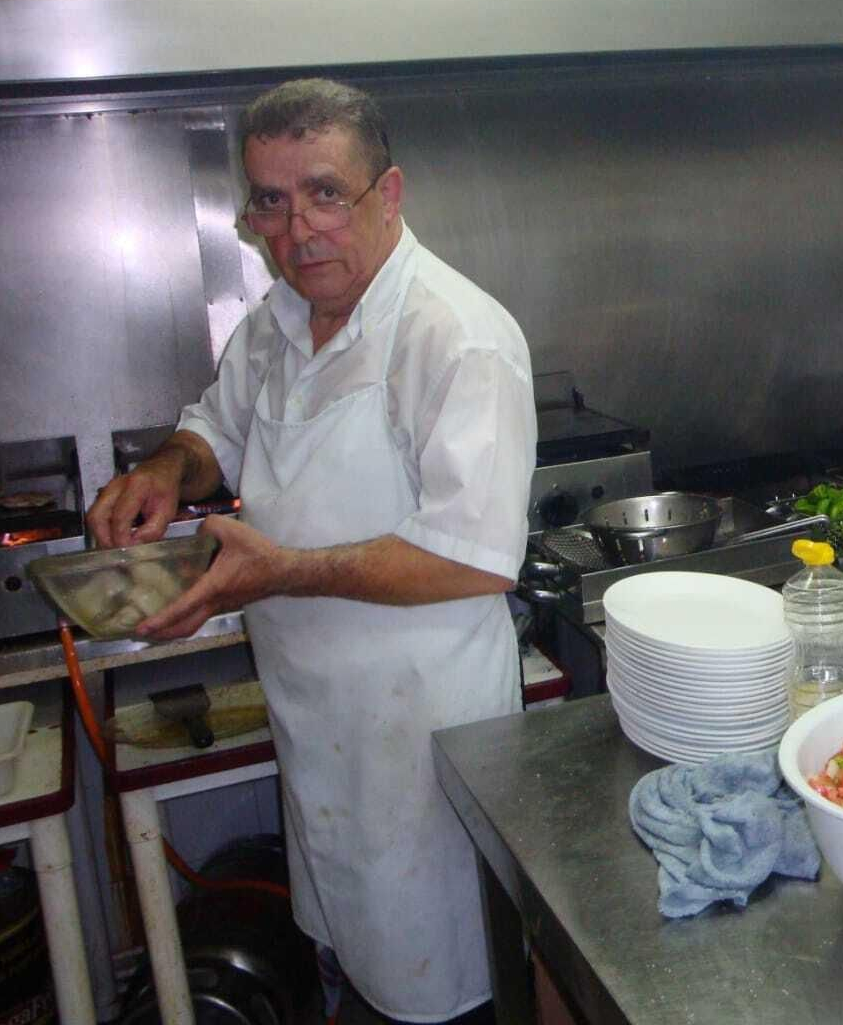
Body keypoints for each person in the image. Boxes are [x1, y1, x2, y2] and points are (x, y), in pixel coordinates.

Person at [86, 78, 535, 1024]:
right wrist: (171, 468)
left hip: (424, 752)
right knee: (348, 969)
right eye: (271, 202)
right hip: (321, 737)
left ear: (390, 193)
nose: (297, 233)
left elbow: (475, 558)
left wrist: (281, 570)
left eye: (327, 193)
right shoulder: (280, 321)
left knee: (440, 992)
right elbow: (216, 425)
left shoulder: (457, 339)